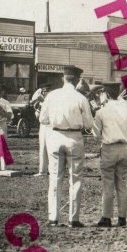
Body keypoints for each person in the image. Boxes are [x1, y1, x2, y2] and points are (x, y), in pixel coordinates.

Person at [39, 65, 94, 227]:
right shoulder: (81, 98)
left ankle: (53, 217)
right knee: (75, 178)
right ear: (77, 80)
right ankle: (73, 218)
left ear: (63, 78)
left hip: (55, 136)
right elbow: (89, 124)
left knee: (55, 177)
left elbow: (43, 119)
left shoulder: (51, 95)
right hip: (74, 137)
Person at [92, 82, 127, 227]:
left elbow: (95, 135)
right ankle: (122, 217)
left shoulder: (101, 112)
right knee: (122, 183)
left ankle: (106, 217)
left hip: (109, 148)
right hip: (124, 148)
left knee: (108, 184)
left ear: (106, 94)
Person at [31, 84, 49, 177]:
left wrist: (44, 102)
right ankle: (42, 171)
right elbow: (37, 117)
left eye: (46, 91)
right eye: (43, 91)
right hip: (43, 126)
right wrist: (38, 108)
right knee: (42, 148)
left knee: (52, 149)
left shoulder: (53, 101)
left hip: (52, 126)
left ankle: (52, 170)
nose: (44, 93)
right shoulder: (40, 103)